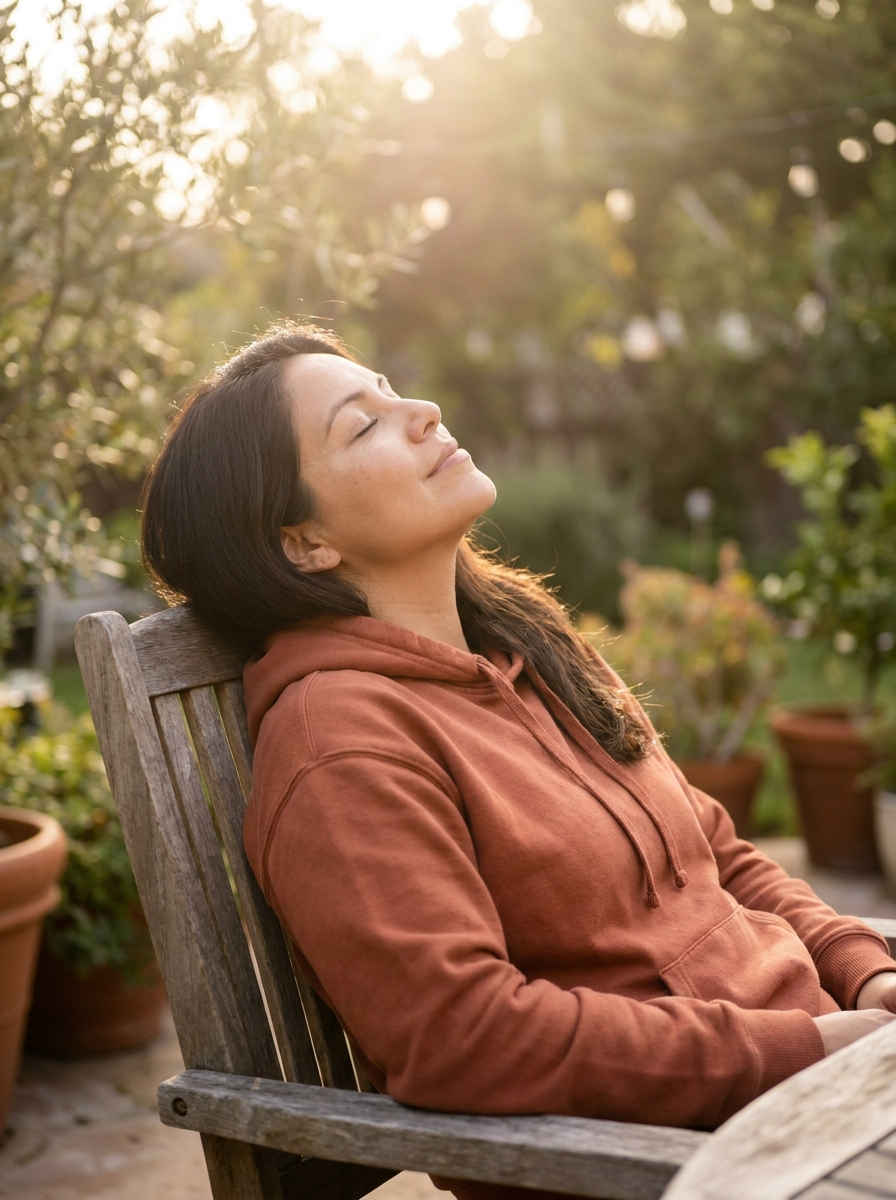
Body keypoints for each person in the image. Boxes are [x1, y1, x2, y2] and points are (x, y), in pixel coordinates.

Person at [141, 322, 896, 1200]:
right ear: (303, 542)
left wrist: (863, 970)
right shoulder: (340, 744)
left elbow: (715, 852)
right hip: (698, 1159)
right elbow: (462, 1037)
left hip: (825, 1090)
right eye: (364, 424)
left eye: (394, 388)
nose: (421, 411)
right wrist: (807, 1050)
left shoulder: (527, 654)